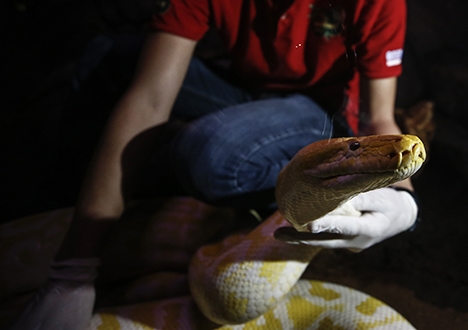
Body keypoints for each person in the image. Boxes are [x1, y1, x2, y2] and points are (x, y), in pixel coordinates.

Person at [10, 0, 419, 328]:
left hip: (323, 116)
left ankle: (274, 206)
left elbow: (377, 119)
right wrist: (71, 273)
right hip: (245, 91)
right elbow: (150, 97)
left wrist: (403, 201)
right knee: (109, 58)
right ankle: (76, 207)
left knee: (212, 155)